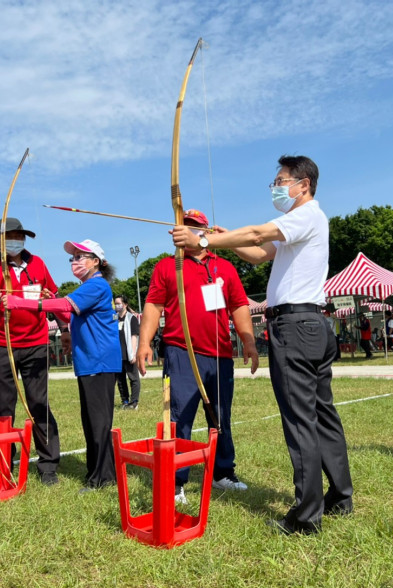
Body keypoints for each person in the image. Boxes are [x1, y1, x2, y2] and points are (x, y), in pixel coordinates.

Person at [172, 157, 353, 534]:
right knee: (322, 414)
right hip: (311, 324)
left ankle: (305, 517)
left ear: (303, 184)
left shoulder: (305, 216)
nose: (275, 187)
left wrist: (203, 239)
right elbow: (257, 251)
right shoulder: (303, 225)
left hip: (296, 325)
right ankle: (339, 496)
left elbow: (256, 234)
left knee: (301, 419)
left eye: (280, 180)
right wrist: (224, 239)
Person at [139, 208, 259, 505]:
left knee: (220, 416)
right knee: (179, 417)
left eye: (197, 228)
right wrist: (144, 344)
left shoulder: (225, 267)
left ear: (207, 232)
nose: (190, 232)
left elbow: (239, 305)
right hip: (181, 352)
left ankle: (222, 472)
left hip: (219, 353)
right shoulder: (167, 267)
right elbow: (153, 306)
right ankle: (176, 480)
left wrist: (249, 341)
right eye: (185, 227)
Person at [4, 239, 119, 493]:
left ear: (95, 262)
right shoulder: (89, 287)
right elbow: (70, 313)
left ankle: (101, 478)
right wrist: (52, 297)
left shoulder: (96, 285)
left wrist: (20, 302)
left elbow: (66, 306)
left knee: (98, 422)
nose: (75, 262)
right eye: (73, 257)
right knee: (92, 421)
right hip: (91, 362)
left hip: (99, 362)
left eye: (80, 257)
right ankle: (103, 473)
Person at [0, 217, 61, 486]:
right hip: (3, 346)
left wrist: (65, 328)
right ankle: (3, 463)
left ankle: (48, 466)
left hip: (36, 344)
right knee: (3, 407)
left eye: (18, 235)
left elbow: (54, 296)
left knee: (38, 404)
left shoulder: (37, 264)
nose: (14, 240)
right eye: (8, 236)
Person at [114, 295, 141, 409]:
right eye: (115, 303)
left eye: (119, 303)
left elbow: (134, 336)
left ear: (125, 304)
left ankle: (134, 402)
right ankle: (125, 401)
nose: (117, 306)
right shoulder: (114, 318)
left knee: (133, 378)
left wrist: (133, 353)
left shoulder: (131, 318)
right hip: (117, 354)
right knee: (120, 380)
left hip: (128, 353)